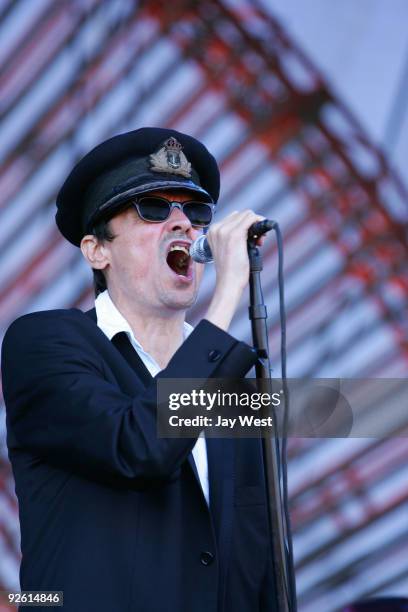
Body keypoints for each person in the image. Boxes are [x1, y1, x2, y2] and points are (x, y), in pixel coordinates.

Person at [2, 127, 277, 611]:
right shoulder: (46, 343)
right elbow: (139, 446)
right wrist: (226, 295)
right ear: (96, 251)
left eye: (196, 212)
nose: (183, 225)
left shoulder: (232, 385)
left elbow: (257, 550)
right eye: (152, 209)